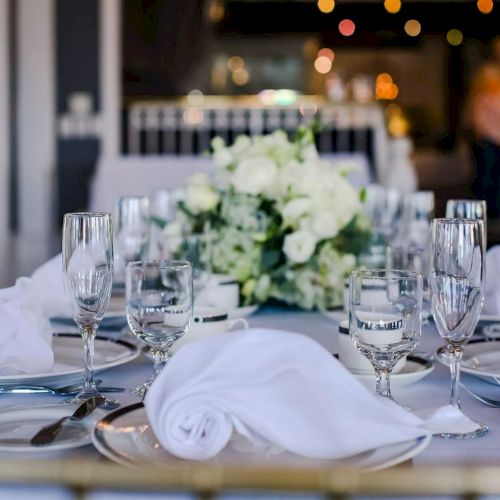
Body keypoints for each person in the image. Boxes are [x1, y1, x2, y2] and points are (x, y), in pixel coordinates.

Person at [467, 36, 500, 217]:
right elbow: (477, 104)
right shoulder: (488, 74)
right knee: (487, 178)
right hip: (489, 135)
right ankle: (484, 216)